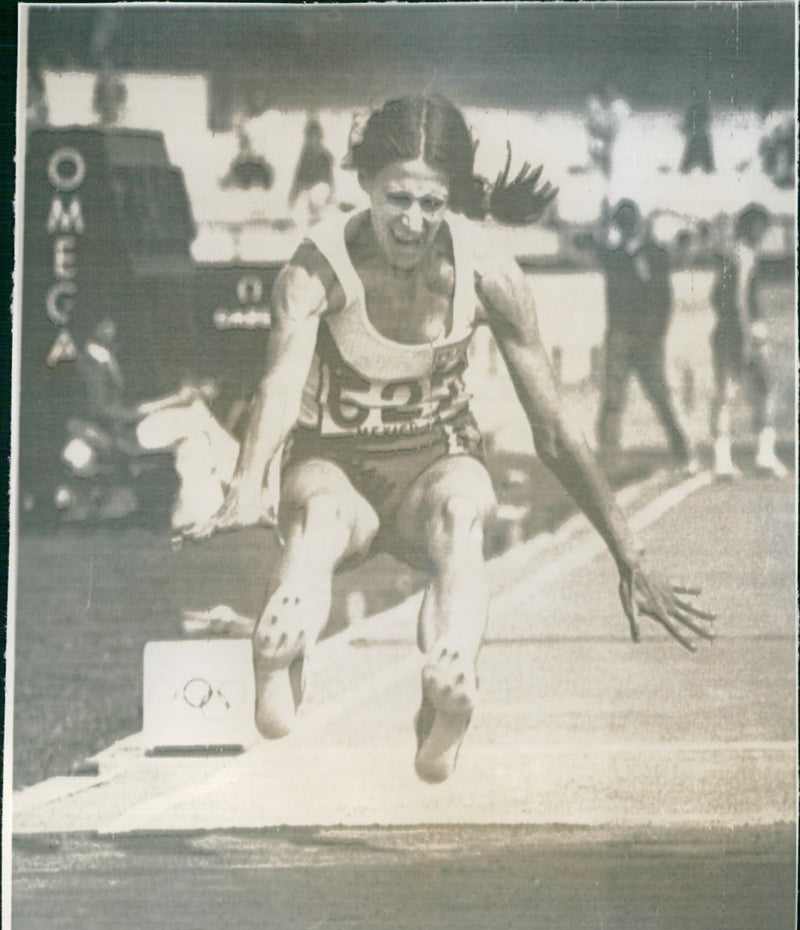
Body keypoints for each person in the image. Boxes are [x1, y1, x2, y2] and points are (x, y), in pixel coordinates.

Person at [185, 95, 713, 784]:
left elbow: (552, 428)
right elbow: (280, 386)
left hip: (435, 466)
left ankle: (449, 683)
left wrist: (628, 551)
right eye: (397, 198)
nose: (412, 222)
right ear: (365, 183)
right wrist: (247, 484)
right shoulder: (316, 270)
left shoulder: (489, 273)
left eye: (432, 205)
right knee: (317, 522)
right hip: (335, 467)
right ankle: (280, 654)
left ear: (453, 199)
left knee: (466, 514)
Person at [594, 200, 693, 469]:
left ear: (637, 223)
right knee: (614, 397)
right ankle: (608, 456)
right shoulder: (615, 257)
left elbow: (664, 299)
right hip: (621, 335)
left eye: (628, 223)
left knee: (659, 396)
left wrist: (658, 333)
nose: (627, 228)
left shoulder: (654, 254)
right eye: (622, 224)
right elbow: (592, 243)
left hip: (646, 338)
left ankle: (681, 450)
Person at [709, 203, 788, 480]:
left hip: (731, 330)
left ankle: (738, 458)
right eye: (762, 227)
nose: (765, 233)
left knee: (746, 392)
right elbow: (738, 298)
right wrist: (746, 336)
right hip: (738, 332)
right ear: (753, 227)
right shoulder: (742, 254)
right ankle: (731, 460)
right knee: (740, 393)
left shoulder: (733, 253)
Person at [289, 118, 335, 224]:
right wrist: (292, 198)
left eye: (313, 136)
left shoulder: (325, 156)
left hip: (320, 192)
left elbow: (330, 182)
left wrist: (329, 198)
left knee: (319, 193)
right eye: (309, 136)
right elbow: (297, 179)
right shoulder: (305, 155)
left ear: (318, 137)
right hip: (307, 192)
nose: (311, 140)